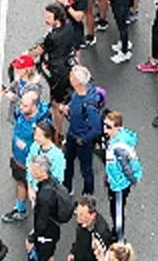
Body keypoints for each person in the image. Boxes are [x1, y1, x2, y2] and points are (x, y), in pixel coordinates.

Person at [2, 87, 48, 224]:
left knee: (35, 190)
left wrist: (27, 148)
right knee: (20, 183)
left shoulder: (42, 125)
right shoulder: (21, 113)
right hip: (18, 159)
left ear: (34, 106)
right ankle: (20, 209)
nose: (21, 107)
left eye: (25, 105)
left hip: (31, 165)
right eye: (21, 103)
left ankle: (40, 219)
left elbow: (45, 146)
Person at [62, 65, 105, 195]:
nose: (69, 78)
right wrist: (68, 110)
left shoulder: (89, 105)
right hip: (72, 135)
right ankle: (67, 187)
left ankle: (88, 193)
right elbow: (74, 107)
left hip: (82, 140)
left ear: (78, 82)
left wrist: (83, 140)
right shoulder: (77, 92)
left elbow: (96, 129)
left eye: (72, 76)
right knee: (67, 162)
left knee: (86, 169)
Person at [101, 111, 142, 241]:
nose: (105, 129)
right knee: (114, 209)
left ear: (117, 128)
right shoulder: (115, 138)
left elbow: (126, 168)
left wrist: (130, 181)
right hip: (115, 181)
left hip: (119, 185)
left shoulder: (119, 147)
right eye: (104, 125)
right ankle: (116, 231)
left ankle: (119, 238)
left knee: (117, 212)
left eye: (109, 127)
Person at [27, 155, 72, 261]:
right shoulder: (52, 182)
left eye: (33, 169)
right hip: (53, 229)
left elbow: (42, 221)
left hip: (47, 233)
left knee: (43, 256)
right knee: (49, 254)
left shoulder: (44, 195)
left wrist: (32, 239)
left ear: (41, 171)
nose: (31, 171)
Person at [68, 196, 114, 260]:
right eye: (77, 214)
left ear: (93, 215)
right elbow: (79, 239)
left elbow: (102, 257)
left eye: (82, 214)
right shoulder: (83, 223)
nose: (78, 219)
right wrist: (73, 252)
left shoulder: (101, 234)